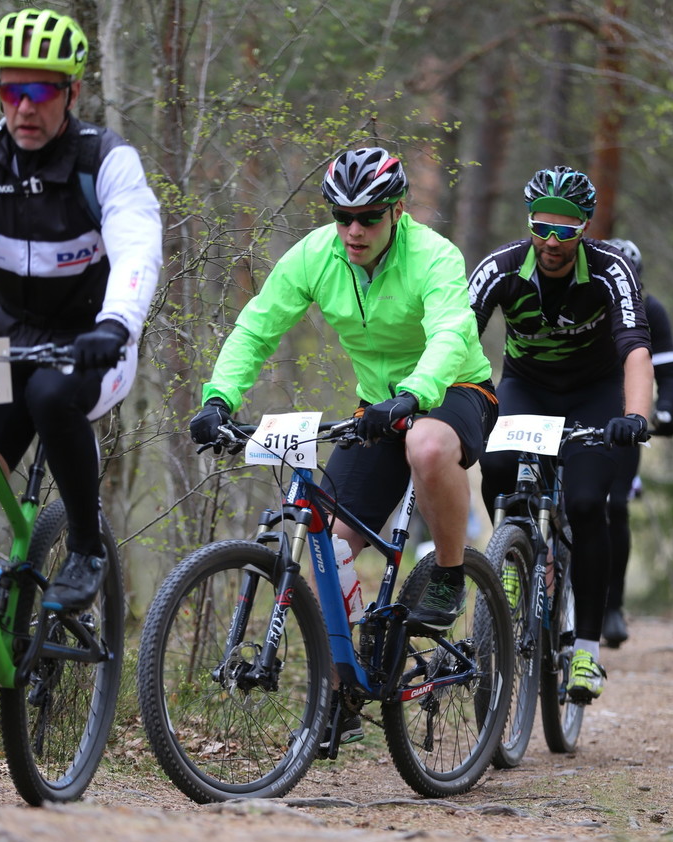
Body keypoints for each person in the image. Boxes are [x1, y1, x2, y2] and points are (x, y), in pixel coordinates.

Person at [190, 145, 497, 745]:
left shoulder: (434, 255)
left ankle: (449, 573)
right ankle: (346, 684)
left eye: (369, 217)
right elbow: (257, 325)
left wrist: (414, 394)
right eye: (342, 216)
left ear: (397, 211)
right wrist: (218, 398)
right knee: (328, 544)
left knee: (427, 447)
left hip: (454, 388)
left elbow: (451, 332)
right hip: (376, 408)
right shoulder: (316, 255)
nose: (354, 230)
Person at [0, 7, 162, 611]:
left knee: (51, 395)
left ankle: (86, 547)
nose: (24, 107)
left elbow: (137, 244)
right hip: (6, 342)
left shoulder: (104, 161)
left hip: (91, 342)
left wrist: (117, 323)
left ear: (73, 92)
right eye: (11, 90)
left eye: (40, 92)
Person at [468, 165, 653, 703]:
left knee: (589, 502)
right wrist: (458, 400)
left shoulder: (611, 269)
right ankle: (512, 551)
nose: (551, 241)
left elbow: (635, 349)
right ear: (528, 222)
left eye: (565, 230)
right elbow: (455, 333)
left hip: (596, 394)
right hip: (527, 387)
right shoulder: (501, 267)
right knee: (497, 464)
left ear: (584, 227)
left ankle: (587, 651)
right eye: (541, 227)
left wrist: (635, 416)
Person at [602, 238, 673, 647]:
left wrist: (664, 412)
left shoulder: (651, 311)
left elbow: (667, 373)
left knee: (614, 506)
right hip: (578, 409)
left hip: (625, 421)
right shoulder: (584, 302)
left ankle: (612, 606)